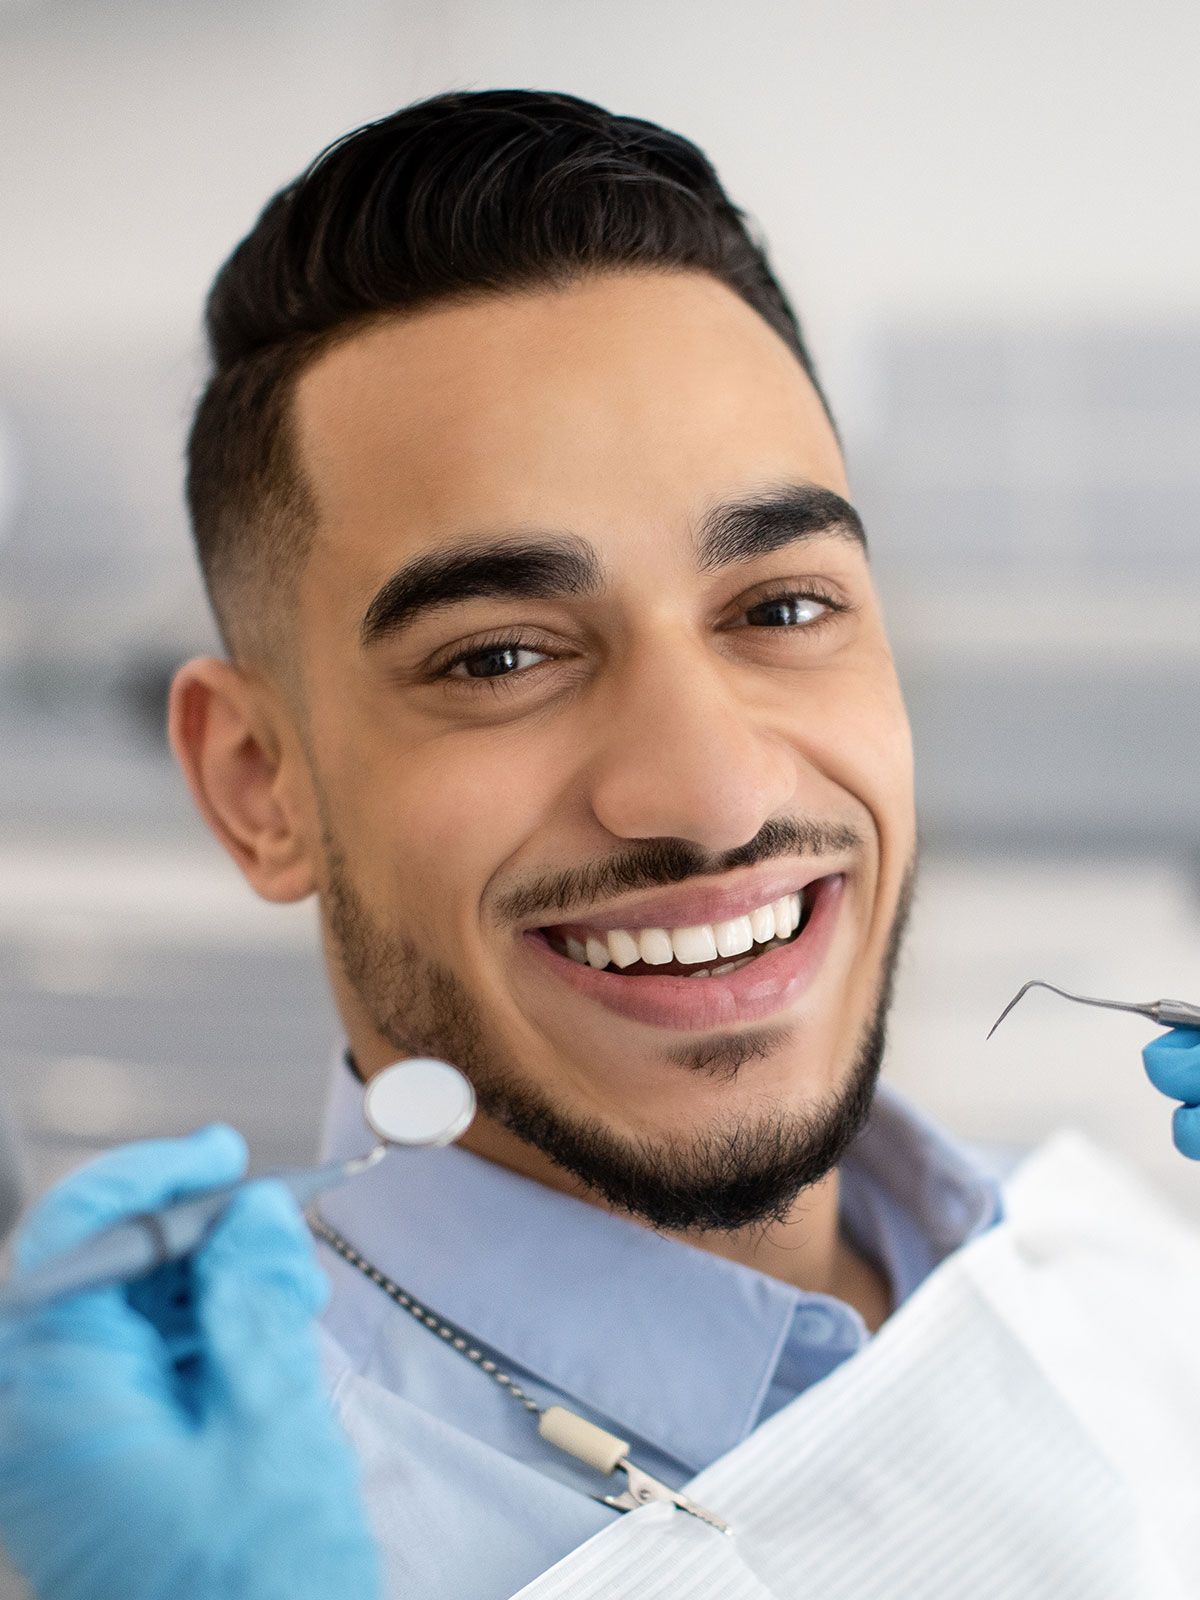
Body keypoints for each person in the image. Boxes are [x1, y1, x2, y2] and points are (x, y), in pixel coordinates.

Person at [2, 89, 1199, 1600]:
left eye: (780, 609)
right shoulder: (219, 1533)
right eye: (501, 657)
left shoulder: (1119, 1257)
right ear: (259, 784)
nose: (707, 795)